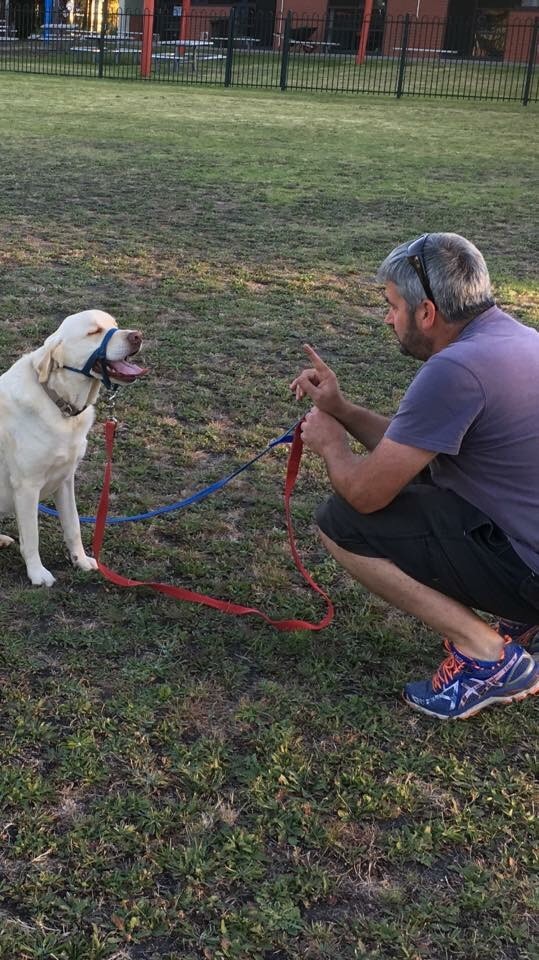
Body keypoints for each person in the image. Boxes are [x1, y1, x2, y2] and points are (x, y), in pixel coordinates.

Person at [290, 232, 539, 720]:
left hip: (529, 566)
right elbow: (413, 450)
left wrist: (331, 444)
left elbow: (365, 493)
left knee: (340, 521)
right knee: (426, 483)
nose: (388, 317)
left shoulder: (456, 370)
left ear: (426, 312)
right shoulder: (515, 339)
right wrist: (340, 409)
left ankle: (488, 656)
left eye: (392, 304)